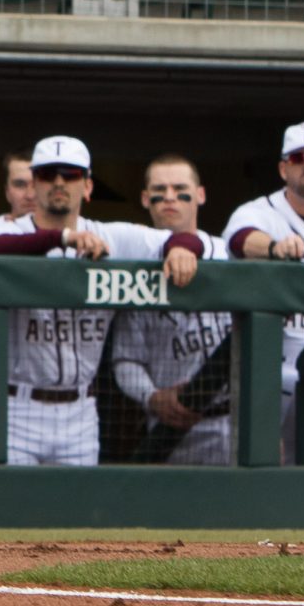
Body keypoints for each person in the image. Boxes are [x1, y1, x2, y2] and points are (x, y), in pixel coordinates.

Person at [0, 133, 206, 467]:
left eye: (71, 174)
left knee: (70, 514)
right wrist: (62, 238)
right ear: (33, 185)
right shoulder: (6, 233)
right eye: (48, 174)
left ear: (88, 186)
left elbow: (180, 237)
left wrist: (181, 249)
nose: (59, 182)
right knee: (7, 514)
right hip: (13, 403)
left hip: (80, 409)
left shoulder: (112, 236)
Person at [222, 120, 304, 467]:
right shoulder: (258, 212)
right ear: (283, 168)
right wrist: (276, 247)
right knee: (266, 472)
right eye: (297, 158)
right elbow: (239, 239)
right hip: (268, 369)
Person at [105, 155, 236, 465]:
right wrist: (152, 397)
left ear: (200, 195)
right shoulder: (134, 270)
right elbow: (125, 361)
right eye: (159, 190)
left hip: (235, 420)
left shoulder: (230, 255)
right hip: (172, 429)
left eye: (180, 189)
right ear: (144, 199)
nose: (170, 198)